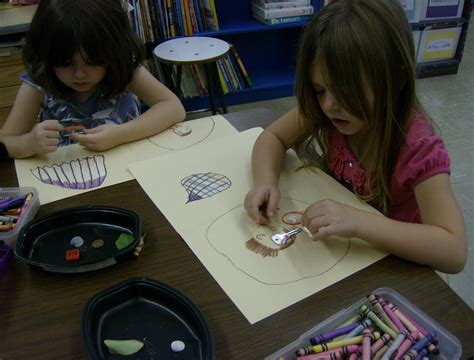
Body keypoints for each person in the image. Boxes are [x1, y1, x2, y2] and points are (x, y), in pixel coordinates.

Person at [244, 0, 467, 274]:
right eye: (319, 89)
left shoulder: (418, 149)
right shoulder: (326, 111)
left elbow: (454, 251)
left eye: (346, 90)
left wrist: (361, 223)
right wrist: (265, 182)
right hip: (342, 259)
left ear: (394, 80)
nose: (329, 105)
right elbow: (274, 137)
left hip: (397, 265)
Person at [2, 0, 186, 159]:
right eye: (65, 63)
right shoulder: (39, 82)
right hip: (67, 176)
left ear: (113, 53)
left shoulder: (122, 68)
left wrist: (121, 134)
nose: (80, 74)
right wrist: (28, 143)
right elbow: (5, 141)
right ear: (46, 56)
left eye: (93, 62)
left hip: (127, 168)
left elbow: (173, 108)